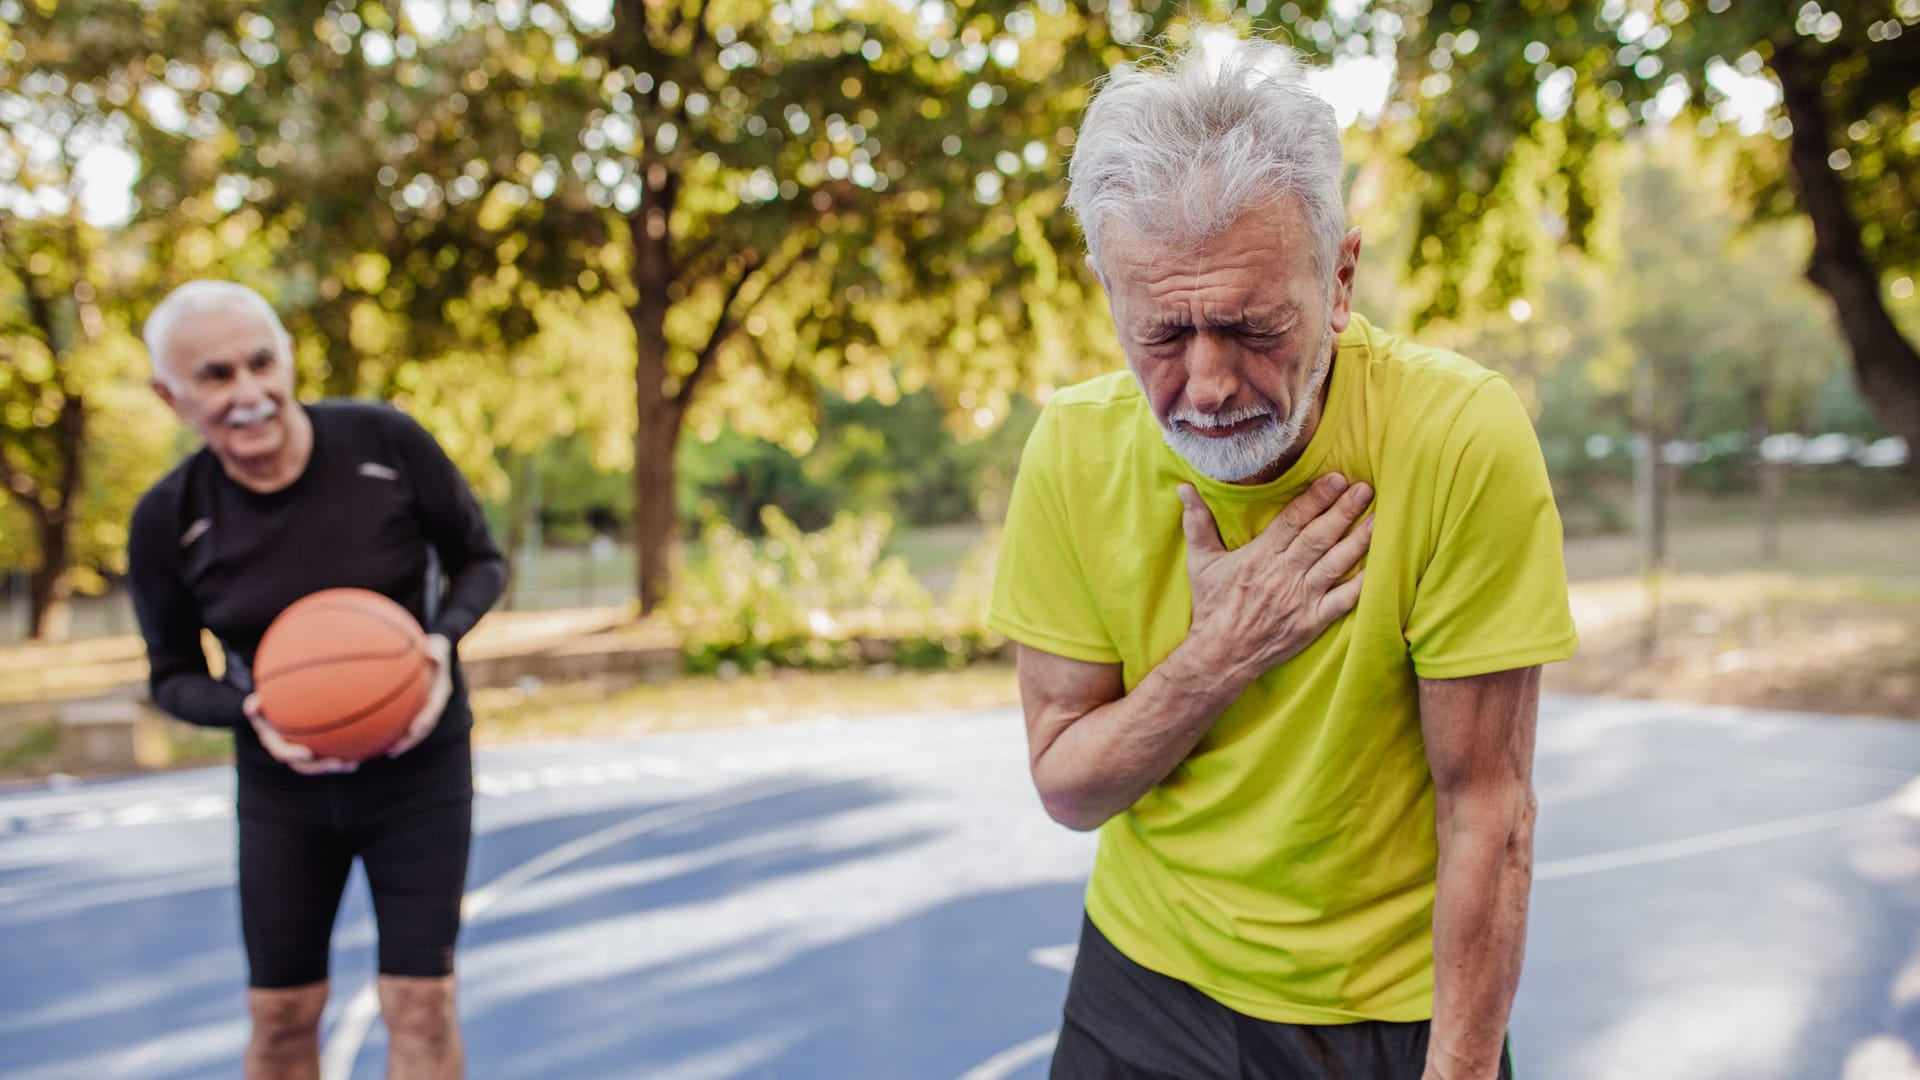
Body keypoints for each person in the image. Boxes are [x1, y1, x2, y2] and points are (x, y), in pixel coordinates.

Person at [988, 34, 1578, 1080]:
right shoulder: (1074, 450)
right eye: (1162, 335)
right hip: (1147, 977)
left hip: (1384, 1012)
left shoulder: (1455, 438)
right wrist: (1222, 652)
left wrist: (1463, 1066)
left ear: (1339, 278)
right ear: (1110, 295)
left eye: (1253, 327)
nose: (1208, 384)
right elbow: (1069, 788)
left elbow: (1487, 805)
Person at [128, 280, 507, 1079]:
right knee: (280, 1015)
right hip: (284, 790)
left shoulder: (385, 442)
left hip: (420, 774)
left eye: (261, 364)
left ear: (289, 360)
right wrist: (251, 709)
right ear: (172, 396)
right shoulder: (168, 517)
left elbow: (483, 560)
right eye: (216, 376)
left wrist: (437, 646)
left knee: (422, 1005)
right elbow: (170, 676)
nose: (249, 393)